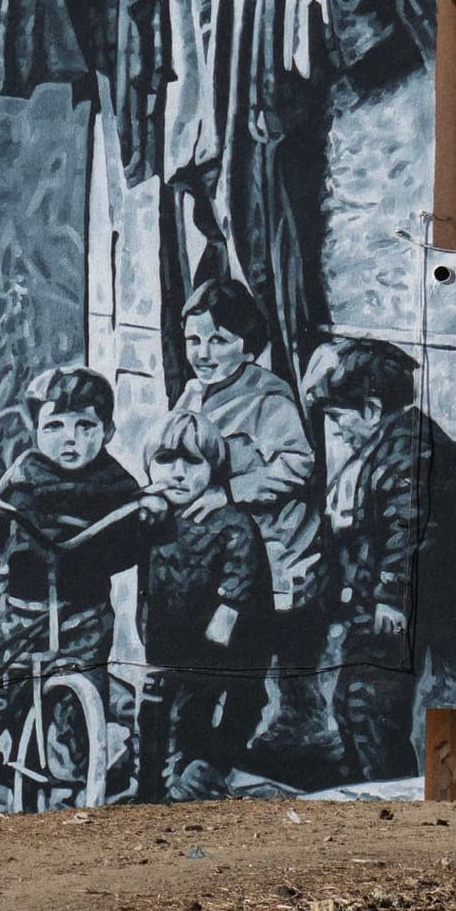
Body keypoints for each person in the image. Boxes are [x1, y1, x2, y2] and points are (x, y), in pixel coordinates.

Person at [172, 273, 326, 746]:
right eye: (194, 340)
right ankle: (192, 737)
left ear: (247, 343)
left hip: (272, 541)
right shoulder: (194, 393)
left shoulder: (267, 396)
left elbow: (299, 464)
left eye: (218, 340)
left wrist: (232, 492)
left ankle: (264, 730)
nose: (203, 353)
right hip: (222, 537)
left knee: (248, 646)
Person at [301, 337, 436, 784]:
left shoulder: (408, 456)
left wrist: (391, 596)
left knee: (370, 704)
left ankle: (380, 782)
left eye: (339, 419)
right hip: (368, 605)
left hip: (389, 611)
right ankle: (361, 773)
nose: (336, 431)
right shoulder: (385, 449)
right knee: (351, 700)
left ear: (372, 410)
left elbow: (407, 529)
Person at [0, 365, 153, 698]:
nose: (69, 438)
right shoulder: (24, 472)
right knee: (8, 697)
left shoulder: (116, 484)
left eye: (85, 426)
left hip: (84, 615)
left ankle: (82, 744)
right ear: (36, 432)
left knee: (82, 698)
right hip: (22, 613)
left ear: (108, 432)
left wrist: (145, 520)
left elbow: (129, 542)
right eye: (54, 426)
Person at [139, 409, 274, 801]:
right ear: (149, 465)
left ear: (212, 468)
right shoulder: (152, 515)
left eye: (192, 462)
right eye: (166, 461)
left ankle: (201, 773)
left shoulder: (228, 519)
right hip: (171, 633)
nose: (178, 473)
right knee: (158, 708)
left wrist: (227, 613)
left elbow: (242, 567)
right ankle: (150, 787)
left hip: (226, 641)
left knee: (229, 704)